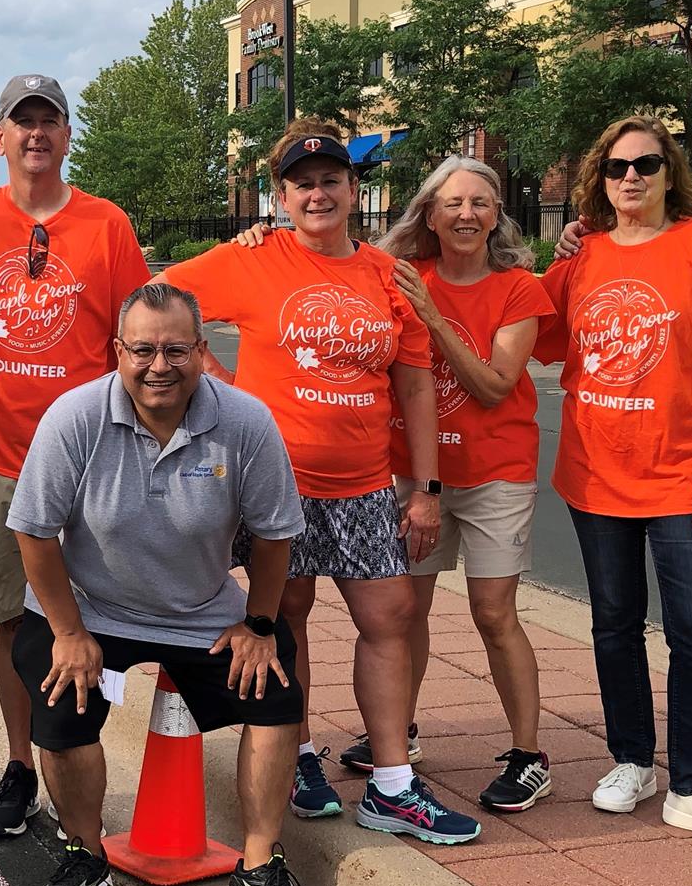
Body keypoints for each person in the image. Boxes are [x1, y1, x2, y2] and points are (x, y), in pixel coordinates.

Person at [165, 120, 477, 847]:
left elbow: (417, 384)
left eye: (330, 180)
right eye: (301, 184)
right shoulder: (254, 260)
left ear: (352, 188)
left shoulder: (384, 273)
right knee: (287, 617)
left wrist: (426, 486)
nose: (317, 193)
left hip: (366, 482)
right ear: (280, 197)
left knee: (391, 613)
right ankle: (298, 754)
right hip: (278, 482)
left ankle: (392, 784)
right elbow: (157, 298)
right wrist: (219, 380)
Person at [6, 283, 326, 886]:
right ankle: (84, 853)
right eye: (144, 349)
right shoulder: (75, 417)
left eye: (177, 349)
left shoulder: (245, 421)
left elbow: (275, 532)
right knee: (53, 679)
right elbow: (34, 531)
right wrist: (68, 630)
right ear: (117, 351)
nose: (160, 365)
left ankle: (260, 867)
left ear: (203, 352)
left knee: (277, 684)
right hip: (93, 607)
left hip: (202, 609)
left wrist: (260, 624)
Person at [538, 116, 692, 848]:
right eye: (615, 167)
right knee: (614, 624)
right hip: (596, 471)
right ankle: (632, 758)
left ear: (672, 172)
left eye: (645, 163)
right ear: (597, 180)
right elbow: (535, 336)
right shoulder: (582, 257)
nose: (630, 177)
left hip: (681, 475)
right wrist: (557, 253)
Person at [0, 74, 151, 839]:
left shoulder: (106, 224)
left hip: (95, 455)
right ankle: (22, 763)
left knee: (93, 612)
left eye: (48, 121)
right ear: (0, 137)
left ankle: (79, 766)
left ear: (65, 136)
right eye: (20, 122)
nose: (35, 134)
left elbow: (136, 334)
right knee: (12, 620)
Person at [378, 157, 556, 812]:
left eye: (481, 203)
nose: (466, 214)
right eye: (453, 202)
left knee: (492, 611)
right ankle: (399, 734)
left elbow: (492, 385)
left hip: (494, 471)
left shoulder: (517, 289)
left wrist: (431, 316)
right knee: (404, 610)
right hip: (417, 472)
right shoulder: (404, 278)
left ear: (496, 216)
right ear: (429, 212)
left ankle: (528, 752)